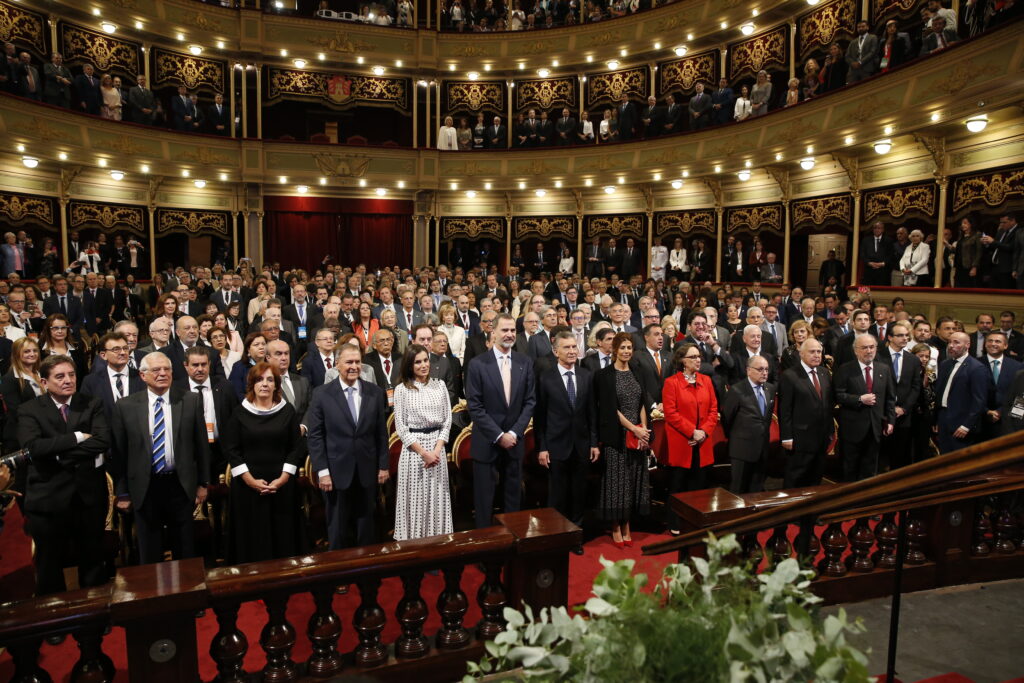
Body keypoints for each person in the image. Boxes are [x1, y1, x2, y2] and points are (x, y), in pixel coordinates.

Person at [17, 354, 110, 595]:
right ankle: (54, 617)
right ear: (44, 382)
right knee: (50, 563)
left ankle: (95, 614)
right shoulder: (29, 410)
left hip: (87, 496)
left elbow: (102, 441)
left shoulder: (91, 403)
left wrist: (58, 455)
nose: (68, 380)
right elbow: (33, 448)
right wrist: (77, 438)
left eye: (71, 375)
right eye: (60, 376)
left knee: (92, 558)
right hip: (48, 497)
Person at [111, 352, 211, 565]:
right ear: (142, 375)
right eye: (156, 370)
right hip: (145, 488)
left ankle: (187, 595)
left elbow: (201, 446)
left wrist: (203, 483)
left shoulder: (190, 400)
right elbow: (119, 453)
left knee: (185, 550)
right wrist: (122, 491)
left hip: (180, 485)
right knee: (150, 552)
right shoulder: (125, 406)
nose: (163, 373)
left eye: (167, 369)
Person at [308, 343, 390, 550]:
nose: (354, 366)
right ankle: (338, 573)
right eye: (349, 362)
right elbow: (316, 436)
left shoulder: (375, 392)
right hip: (336, 471)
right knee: (337, 525)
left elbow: (381, 433)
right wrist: (323, 472)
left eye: (357, 362)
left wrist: (383, 465)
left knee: (367, 523)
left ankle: (366, 571)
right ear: (337, 365)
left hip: (367, 467)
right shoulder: (321, 394)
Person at [223, 362, 306, 563]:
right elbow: (231, 450)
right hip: (247, 487)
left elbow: (296, 448)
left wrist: (284, 478)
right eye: (259, 380)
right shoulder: (239, 413)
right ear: (251, 384)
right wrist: (250, 480)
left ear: (277, 385)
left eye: (270, 380)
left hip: (281, 485)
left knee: (282, 531)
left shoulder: (287, 411)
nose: (265, 384)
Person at [464, 313, 536, 528]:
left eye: (513, 330)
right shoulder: (477, 364)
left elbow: (530, 402)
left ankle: (512, 545)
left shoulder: (525, 362)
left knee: (513, 499)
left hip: (514, 442)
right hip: (487, 442)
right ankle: (487, 551)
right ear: (492, 332)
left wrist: (513, 433)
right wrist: (498, 435)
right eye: (504, 330)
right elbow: (474, 406)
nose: (509, 334)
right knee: (484, 501)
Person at [534, 332, 598, 542]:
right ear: (556, 351)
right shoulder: (545, 378)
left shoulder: (586, 375)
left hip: (581, 445)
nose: (572, 351)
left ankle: (575, 537)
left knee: (579, 495)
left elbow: (591, 413)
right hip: (555, 446)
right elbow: (540, 416)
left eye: (574, 347)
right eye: (567, 348)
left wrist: (594, 442)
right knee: (558, 496)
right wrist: (542, 447)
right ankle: (556, 538)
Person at [593, 332, 651, 546]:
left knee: (632, 481)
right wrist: (633, 429)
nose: (626, 351)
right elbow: (610, 410)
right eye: (623, 348)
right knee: (616, 483)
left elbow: (643, 402)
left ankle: (627, 523)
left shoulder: (638, 371)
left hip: (637, 436)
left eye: (629, 348)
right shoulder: (604, 375)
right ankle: (616, 526)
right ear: (614, 350)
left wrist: (643, 429)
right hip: (617, 436)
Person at [392, 344, 453, 541]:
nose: (423, 365)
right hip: (414, 453)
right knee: (415, 502)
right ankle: (414, 547)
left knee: (437, 500)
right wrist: (423, 453)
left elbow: (447, 420)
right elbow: (400, 427)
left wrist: (435, 450)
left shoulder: (440, 385)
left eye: (425, 360)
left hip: (437, 451)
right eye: (418, 362)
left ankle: (438, 545)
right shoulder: (401, 389)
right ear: (410, 365)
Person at [835, 334, 896, 481]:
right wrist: (859, 399)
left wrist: (890, 421)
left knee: (870, 469)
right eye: (864, 348)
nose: (869, 351)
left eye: (872, 347)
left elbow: (890, 398)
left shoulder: (884, 369)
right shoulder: (845, 369)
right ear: (856, 350)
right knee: (851, 469)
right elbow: (838, 395)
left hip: (875, 428)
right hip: (852, 428)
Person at [779, 338, 834, 488]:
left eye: (819, 352)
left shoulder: (824, 373)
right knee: (796, 478)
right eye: (812, 352)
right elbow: (785, 409)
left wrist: (830, 431)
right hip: (800, 439)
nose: (817, 355)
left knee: (816, 477)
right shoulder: (790, 375)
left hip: (822, 437)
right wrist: (786, 437)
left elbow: (828, 404)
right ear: (801, 354)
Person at [721, 355, 776, 494]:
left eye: (766, 369)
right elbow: (727, 418)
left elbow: (767, 418)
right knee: (738, 490)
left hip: (762, 447)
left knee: (756, 489)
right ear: (748, 370)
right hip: (741, 448)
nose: (764, 373)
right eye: (760, 369)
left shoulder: (770, 389)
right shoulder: (737, 390)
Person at [934, 331, 991, 453]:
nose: (951, 345)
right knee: (943, 459)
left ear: (967, 345)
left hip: (962, 423)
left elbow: (979, 401)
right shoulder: (945, 364)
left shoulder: (976, 368)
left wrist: (967, 425)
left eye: (956, 342)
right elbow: (940, 393)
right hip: (943, 418)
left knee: (959, 462)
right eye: (949, 342)